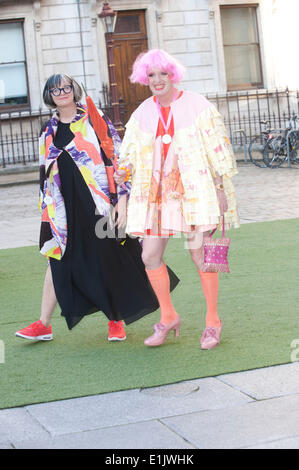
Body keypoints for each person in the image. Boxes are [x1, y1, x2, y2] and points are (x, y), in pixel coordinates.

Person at [15, 73, 177, 342]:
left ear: (74, 89)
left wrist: (121, 201)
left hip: (99, 204)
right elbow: (45, 171)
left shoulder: (93, 118)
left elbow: (118, 158)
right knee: (57, 258)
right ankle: (43, 324)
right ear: (49, 97)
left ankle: (116, 320)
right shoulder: (48, 130)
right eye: (56, 90)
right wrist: (46, 210)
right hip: (63, 209)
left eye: (66, 87)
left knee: (109, 257)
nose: (63, 92)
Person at [115, 49, 239, 349]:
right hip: (157, 196)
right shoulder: (142, 111)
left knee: (200, 254)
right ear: (145, 79)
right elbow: (129, 153)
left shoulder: (197, 105)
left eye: (163, 74)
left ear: (173, 75)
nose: (157, 80)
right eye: (151, 75)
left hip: (196, 192)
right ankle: (169, 317)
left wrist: (221, 190)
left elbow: (218, 148)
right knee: (149, 256)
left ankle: (213, 322)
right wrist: (124, 172)